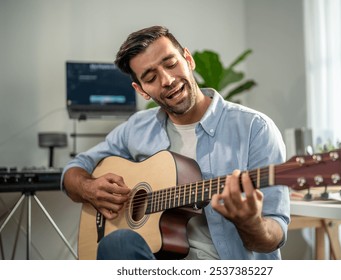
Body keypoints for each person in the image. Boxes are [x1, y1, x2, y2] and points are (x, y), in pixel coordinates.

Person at [62, 25, 290, 260]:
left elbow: (273, 235)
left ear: (188, 59)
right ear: (141, 90)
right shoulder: (138, 127)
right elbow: (74, 170)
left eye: (171, 64)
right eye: (151, 78)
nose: (167, 80)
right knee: (119, 243)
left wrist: (251, 223)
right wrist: (88, 188)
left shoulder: (255, 128)